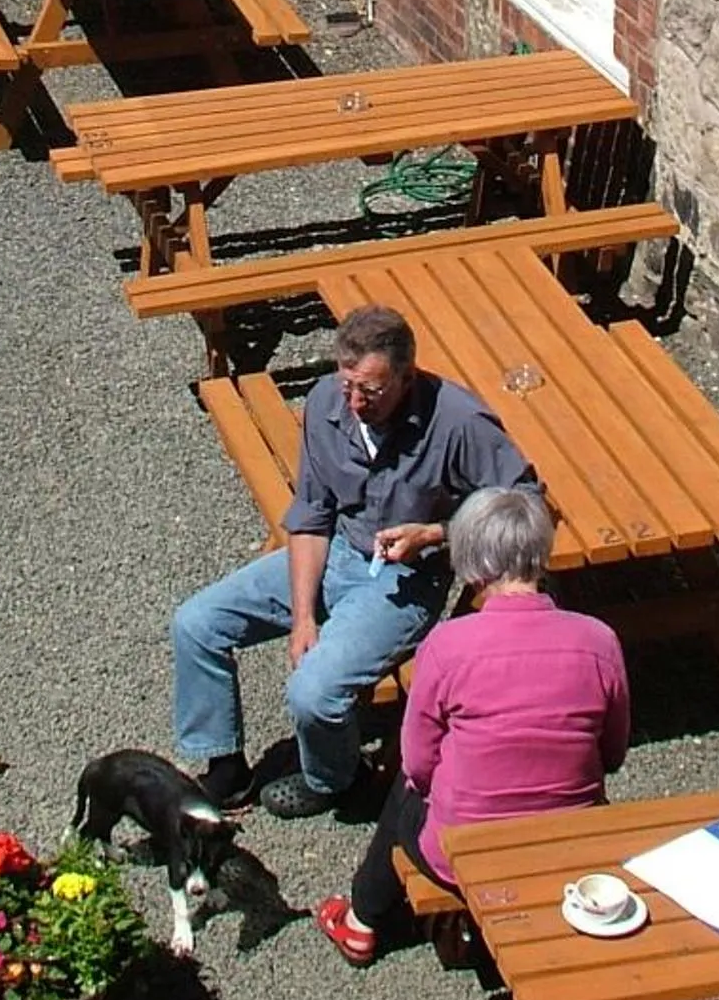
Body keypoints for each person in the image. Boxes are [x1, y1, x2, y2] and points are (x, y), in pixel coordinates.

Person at [172, 305, 537, 819]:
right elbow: (311, 516)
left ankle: (335, 780)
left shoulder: (459, 421)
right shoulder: (326, 402)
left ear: (406, 377)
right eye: (348, 386)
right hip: (338, 549)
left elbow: (526, 501)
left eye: (370, 390)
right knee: (197, 623)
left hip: (408, 576)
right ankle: (226, 767)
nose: (355, 401)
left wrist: (438, 532)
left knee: (313, 692)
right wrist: (303, 617)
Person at [313, 485, 629, 964]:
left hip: (465, 852)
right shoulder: (599, 641)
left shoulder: (448, 645)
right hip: (569, 838)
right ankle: (363, 914)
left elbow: (419, 765)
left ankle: (362, 918)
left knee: (407, 787)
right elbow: (612, 754)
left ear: (474, 563)